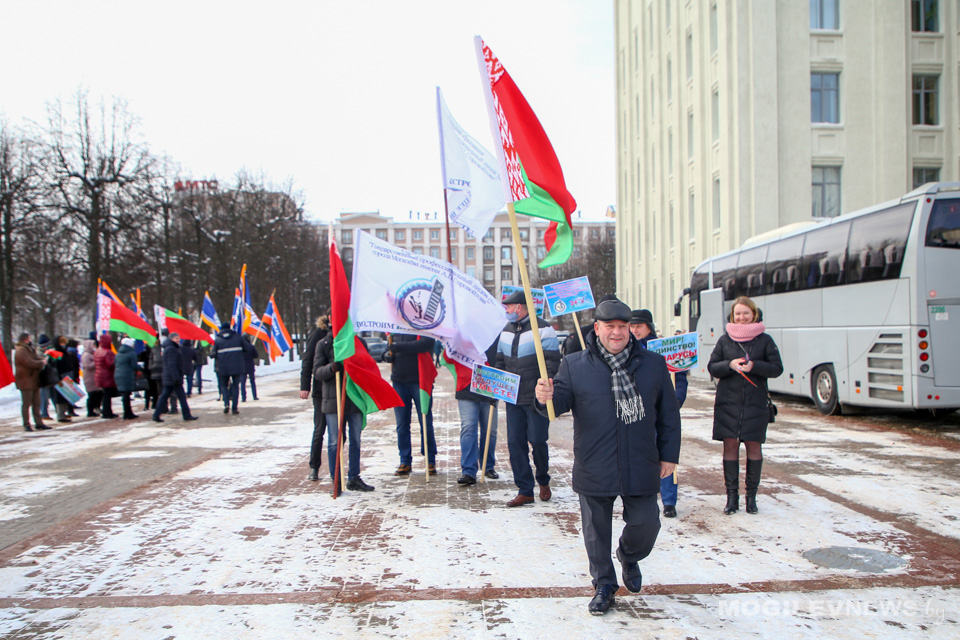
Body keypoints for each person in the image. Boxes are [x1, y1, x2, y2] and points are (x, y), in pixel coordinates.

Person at [534, 298, 681, 615]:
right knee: (595, 532)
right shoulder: (574, 365)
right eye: (610, 326)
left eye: (623, 326)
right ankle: (604, 585)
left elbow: (669, 414)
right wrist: (544, 396)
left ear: (631, 328)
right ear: (597, 328)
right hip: (594, 461)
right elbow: (555, 405)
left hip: (641, 460)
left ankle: (628, 555)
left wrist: (669, 455)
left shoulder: (653, 364)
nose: (617, 333)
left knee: (647, 524)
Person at [707, 296, 783, 515]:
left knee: (754, 447)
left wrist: (754, 366)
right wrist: (729, 365)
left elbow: (777, 368)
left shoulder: (765, 340)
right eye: (737, 314)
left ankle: (751, 498)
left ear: (754, 314)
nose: (741, 317)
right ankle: (732, 498)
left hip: (755, 404)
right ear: (732, 315)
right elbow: (712, 367)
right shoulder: (724, 340)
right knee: (730, 446)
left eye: (745, 313)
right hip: (728, 404)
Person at [496, 290, 560, 507]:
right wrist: (497, 383)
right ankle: (524, 490)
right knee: (515, 443)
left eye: (508, 306)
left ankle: (543, 480)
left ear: (520, 307)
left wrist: (545, 385)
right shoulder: (505, 330)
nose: (506, 310)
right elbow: (499, 362)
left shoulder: (544, 329)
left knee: (538, 440)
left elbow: (553, 362)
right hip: (512, 399)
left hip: (536, 399)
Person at [630, 309, 688, 518]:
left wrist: (675, 402)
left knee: (666, 455)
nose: (635, 330)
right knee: (641, 455)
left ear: (649, 327)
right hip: (638, 412)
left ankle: (669, 500)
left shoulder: (664, 348)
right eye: (632, 326)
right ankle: (644, 492)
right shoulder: (626, 350)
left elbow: (679, 379)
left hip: (662, 412)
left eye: (639, 326)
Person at [314, 332, 374, 491]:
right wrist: (331, 368)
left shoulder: (358, 342)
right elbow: (318, 372)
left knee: (356, 440)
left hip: (354, 400)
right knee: (334, 441)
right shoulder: (324, 344)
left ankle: (354, 477)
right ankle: (336, 480)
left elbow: (367, 366)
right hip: (333, 401)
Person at [382, 334, 437, 476]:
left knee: (425, 422)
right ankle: (405, 461)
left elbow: (425, 344)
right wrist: (387, 355)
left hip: (421, 380)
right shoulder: (395, 328)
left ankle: (430, 459)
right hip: (399, 381)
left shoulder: (423, 324)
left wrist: (398, 347)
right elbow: (388, 349)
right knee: (401, 425)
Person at [456, 342, 500, 485]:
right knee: (468, 428)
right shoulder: (462, 334)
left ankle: (488, 466)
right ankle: (468, 471)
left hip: (490, 385)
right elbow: (449, 355)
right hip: (466, 386)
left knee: (490, 431)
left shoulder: (494, 333)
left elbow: (501, 358)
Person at [300, 314, 330, 481]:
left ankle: (336, 465)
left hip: (340, 390)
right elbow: (307, 360)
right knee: (320, 429)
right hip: (320, 391)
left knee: (341, 432)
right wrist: (305, 386)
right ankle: (314, 466)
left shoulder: (345, 333)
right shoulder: (318, 334)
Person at [152, 333, 198, 422]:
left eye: (179, 338)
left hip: (170, 377)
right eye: (176, 338)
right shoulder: (171, 349)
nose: (178, 340)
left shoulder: (170, 348)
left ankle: (156, 415)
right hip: (173, 378)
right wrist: (176, 377)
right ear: (171, 339)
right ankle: (186, 415)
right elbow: (172, 365)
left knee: (166, 396)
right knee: (177, 397)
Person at [211, 321, 255, 415]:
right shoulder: (238, 337)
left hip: (223, 367)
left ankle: (226, 403)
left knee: (224, 386)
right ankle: (235, 407)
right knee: (235, 387)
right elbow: (248, 348)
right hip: (237, 366)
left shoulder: (218, 340)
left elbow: (212, 354)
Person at [14, 333, 51, 431]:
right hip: (25, 380)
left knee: (36, 402)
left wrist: (43, 359)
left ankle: (38, 423)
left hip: (33, 379)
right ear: (25, 339)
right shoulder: (21, 350)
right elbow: (28, 362)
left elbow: (35, 357)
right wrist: (41, 363)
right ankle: (26, 424)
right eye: (29, 338)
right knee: (26, 403)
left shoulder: (29, 349)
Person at [114, 337, 140, 420]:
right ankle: (128, 413)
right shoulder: (131, 353)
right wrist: (140, 367)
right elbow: (134, 366)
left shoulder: (118, 353)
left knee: (125, 395)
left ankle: (127, 412)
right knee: (127, 395)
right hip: (127, 375)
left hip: (118, 375)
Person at [94, 334, 120, 419]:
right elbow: (110, 364)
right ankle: (107, 412)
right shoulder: (108, 352)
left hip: (100, 375)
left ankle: (107, 411)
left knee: (106, 395)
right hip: (107, 376)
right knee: (108, 395)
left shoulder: (98, 351)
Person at [81, 332, 103, 417]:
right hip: (89, 377)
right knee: (92, 394)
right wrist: (96, 362)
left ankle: (96, 408)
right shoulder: (86, 355)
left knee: (98, 393)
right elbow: (87, 365)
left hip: (95, 376)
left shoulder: (93, 354)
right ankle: (90, 411)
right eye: (93, 345)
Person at [240, 334, 259, 401]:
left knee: (243, 383)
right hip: (250, 366)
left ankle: (243, 397)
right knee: (252, 382)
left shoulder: (240, 348)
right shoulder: (251, 346)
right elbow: (256, 355)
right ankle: (255, 396)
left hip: (242, 367)